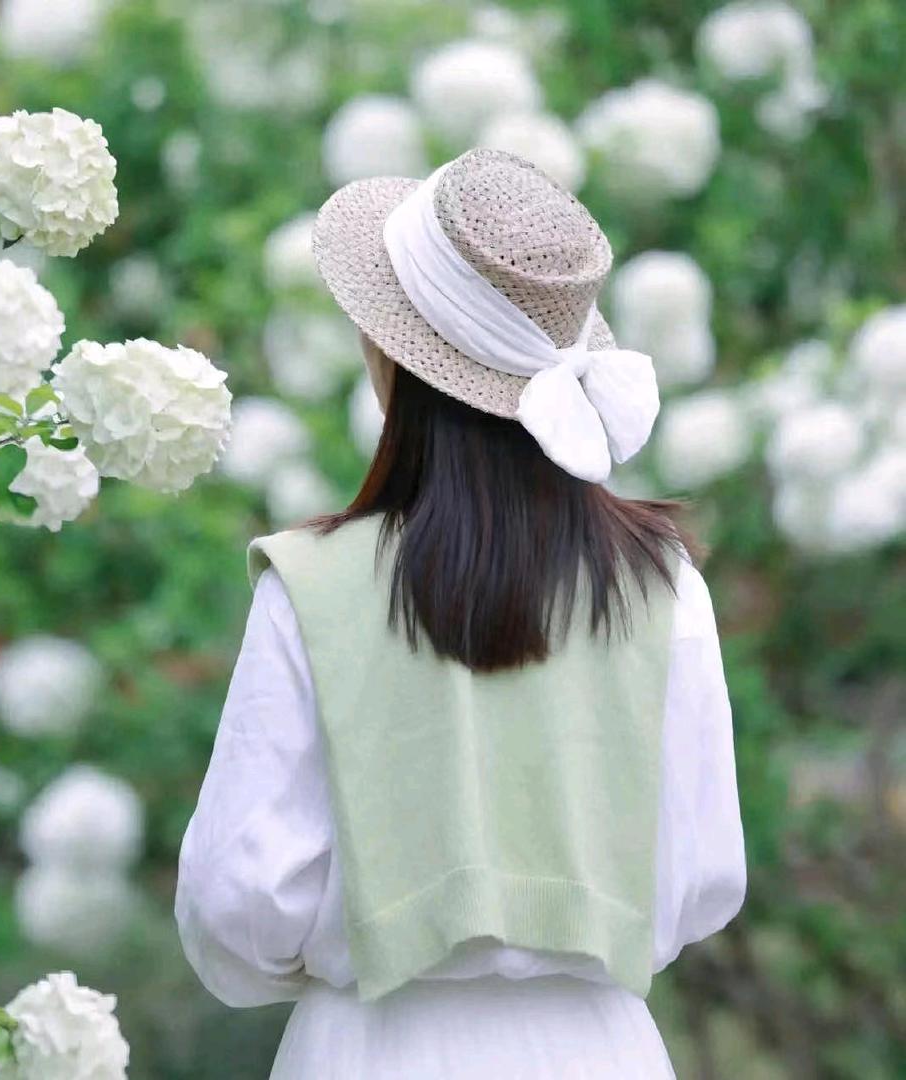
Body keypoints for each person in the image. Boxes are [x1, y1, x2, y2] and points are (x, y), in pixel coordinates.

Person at [175, 149, 746, 1078]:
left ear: (393, 352)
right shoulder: (663, 585)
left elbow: (241, 903)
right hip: (598, 1050)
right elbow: (701, 878)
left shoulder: (313, 585)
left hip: (372, 1047)